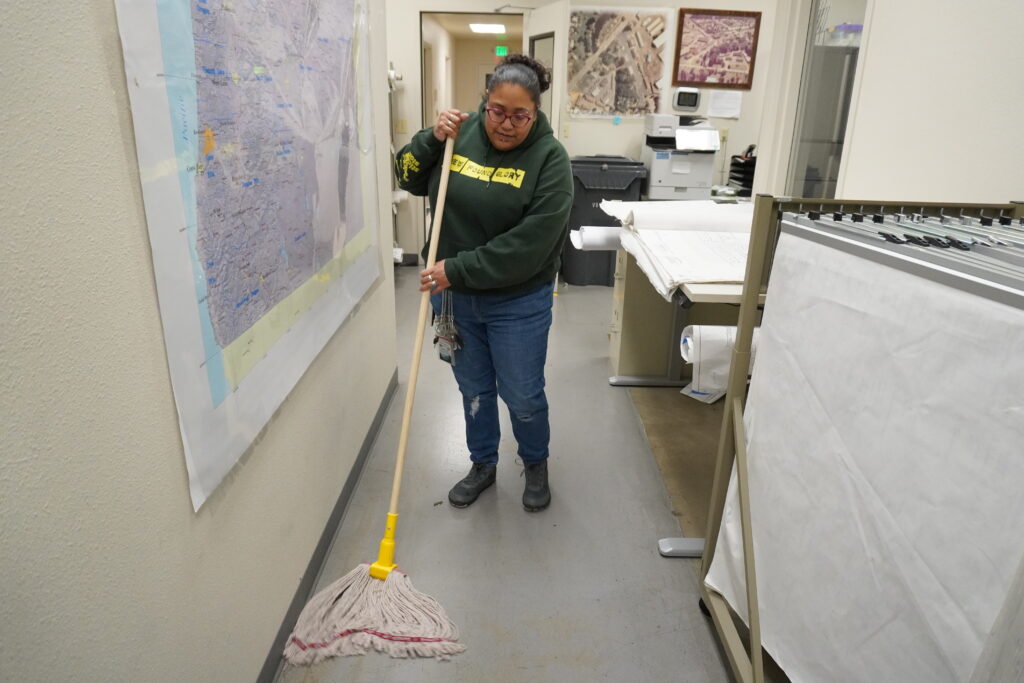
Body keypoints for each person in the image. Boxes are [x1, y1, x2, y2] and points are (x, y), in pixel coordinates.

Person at [394, 54, 573, 512]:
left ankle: (535, 463)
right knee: (473, 389)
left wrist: (457, 268)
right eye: (497, 110)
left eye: (520, 115)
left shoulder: (551, 161)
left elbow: (530, 245)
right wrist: (431, 139)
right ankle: (483, 464)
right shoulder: (461, 134)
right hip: (454, 301)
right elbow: (406, 176)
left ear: (536, 112)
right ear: (484, 103)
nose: (507, 124)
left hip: (517, 300)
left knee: (523, 394)